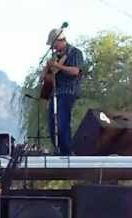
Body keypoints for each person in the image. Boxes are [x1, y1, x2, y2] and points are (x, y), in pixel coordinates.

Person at [44, 28, 84, 156]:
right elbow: (46, 78)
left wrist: (58, 66)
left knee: (62, 121)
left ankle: (67, 152)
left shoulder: (75, 53)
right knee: (52, 124)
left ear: (62, 41)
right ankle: (59, 150)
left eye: (54, 45)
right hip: (55, 94)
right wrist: (47, 69)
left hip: (68, 91)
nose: (54, 48)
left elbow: (75, 71)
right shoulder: (56, 56)